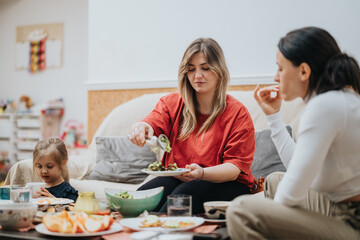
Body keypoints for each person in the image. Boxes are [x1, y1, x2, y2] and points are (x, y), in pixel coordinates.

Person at [227, 26, 360, 239]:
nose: (275, 77)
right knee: (274, 180)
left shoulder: (324, 106)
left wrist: (271, 220)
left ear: (304, 71)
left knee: (241, 211)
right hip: (339, 203)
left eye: (280, 68)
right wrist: (273, 116)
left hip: (352, 220)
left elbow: (290, 195)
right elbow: (298, 166)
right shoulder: (337, 98)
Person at [128, 38, 256, 215]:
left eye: (205, 68)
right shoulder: (172, 103)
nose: (197, 75)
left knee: (180, 198)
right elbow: (153, 121)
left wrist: (202, 173)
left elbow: (234, 169)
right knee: (139, 200)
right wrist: (141, 126)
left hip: (228, 184)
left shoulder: (237, 113)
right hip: (183, 179)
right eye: (191, 69)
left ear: (219, 70)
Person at [32, 138, 78, 202]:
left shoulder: (69, 192)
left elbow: (74, 210)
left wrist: (55, 201)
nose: (44, 171)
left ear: (63, 164)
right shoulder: (39, 189)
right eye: (39, 166)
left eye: (49, 166)